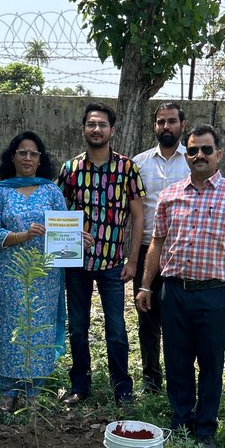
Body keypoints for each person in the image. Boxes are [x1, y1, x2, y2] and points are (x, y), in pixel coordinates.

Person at [136, 124, 225, 448]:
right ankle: (180, 421)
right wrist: (146, 284)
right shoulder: (170, 195)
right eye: (193, 150)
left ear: (219, 154)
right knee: (176, 360)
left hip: (213, 295)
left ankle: (205, 428)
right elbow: (157, 243)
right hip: (174, 292)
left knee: (210, 363)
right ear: (186, 155)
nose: (199, 155)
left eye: (206, 149)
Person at [58, 101, 145, 405]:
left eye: (102, 125)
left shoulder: (127, 168)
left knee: (117, 329)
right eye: (91, 124)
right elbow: (57, 213)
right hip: (76, 262)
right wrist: (68, 238)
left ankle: (122, 388)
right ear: (83, 128)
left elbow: (138, 216)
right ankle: (80, 385)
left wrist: (133, 260)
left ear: (112, 130)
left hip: (113, 263)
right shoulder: (70, 169)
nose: (96, 129)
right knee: (78, 327)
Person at [0, 131, 67, 410]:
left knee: (39, 325)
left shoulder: (52, 192)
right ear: (12, 157)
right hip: (7, 275)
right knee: (8, 327)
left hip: (44, 275)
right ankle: (8, 389)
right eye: (22, 153)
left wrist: (78, 238)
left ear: (40, 160)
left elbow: (64, 229)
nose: (28, 158)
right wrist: (22, 236)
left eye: (33, 154)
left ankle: (33, 390)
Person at [133, 102, 188, 394]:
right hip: (147, 251)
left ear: (183, 125)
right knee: (147, 317)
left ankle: (179, 379)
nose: (166, 126)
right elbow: (132, 212)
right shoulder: (139, 163)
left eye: (172, 121)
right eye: (161, 122)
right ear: (154, 126)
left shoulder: (193, 161)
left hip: (182, 253)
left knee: (179, 320)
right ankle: (151, 378)